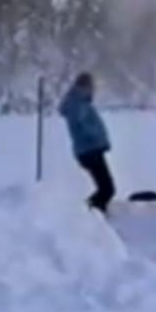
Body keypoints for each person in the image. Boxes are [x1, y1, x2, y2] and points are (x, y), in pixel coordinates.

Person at [59, 72, 115, 214]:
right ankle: (85, 216)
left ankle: (92, 215)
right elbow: (81, 124)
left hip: (89, 150)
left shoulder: (79, 101)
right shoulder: (78, 102)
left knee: (106, 188)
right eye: (91, 86)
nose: (93, 89)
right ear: (84, 86)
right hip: (90, 150)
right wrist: (97, 138)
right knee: (107, 189)